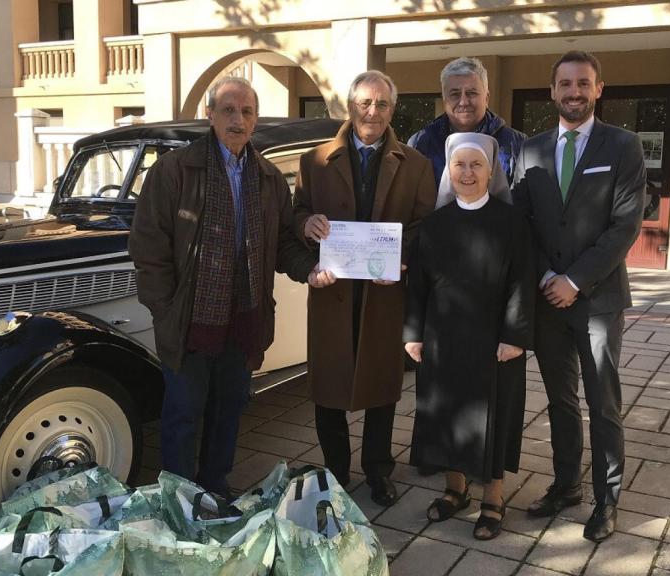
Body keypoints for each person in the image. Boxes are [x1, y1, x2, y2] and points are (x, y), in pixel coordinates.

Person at [129, 77, 332, 498]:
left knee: (229, 411)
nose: (238, 120)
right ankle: (180, 499)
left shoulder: (268, 177)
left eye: (246, 112)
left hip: (244, 321)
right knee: (183, 413)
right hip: (189, 321)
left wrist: (310, 270)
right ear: (210, 115)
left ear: (255, 120)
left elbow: (281, 245)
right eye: (228, 110)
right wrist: (165, 309)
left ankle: (215, 489)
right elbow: (149, 249)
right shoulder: (174, 171)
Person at [511, 51, 646, 542]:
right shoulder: (530, 149)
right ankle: (567, 484)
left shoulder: (623, 146)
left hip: (598, 300)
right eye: (565, 84)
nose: (574, 91)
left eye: (583, 83)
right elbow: (521, 222)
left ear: (598, 89)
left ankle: (606, 500)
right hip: (548, 298)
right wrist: (549, 275)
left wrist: (575, 280)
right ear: (552, 91)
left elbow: (624, 226)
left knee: (602, 402)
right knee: (560, 399)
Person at [294, 70, 436, 506]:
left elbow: (424, 225)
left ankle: (378, 470)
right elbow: (295, 217)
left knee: (382, 385)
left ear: (393, 109)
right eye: (364, 103)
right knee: (328, 386)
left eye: (382, 104)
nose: (372, 112)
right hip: (333, 291)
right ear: (350, 106)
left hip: (383, 291)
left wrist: (402, 256)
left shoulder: (416, 164)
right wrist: (307, 224)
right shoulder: (314, 160)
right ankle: (336, 471)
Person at [404, 132, 534, 541]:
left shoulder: (512, 222)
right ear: (448, 170)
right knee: (447, 413)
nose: (467, 172)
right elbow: (418, 286)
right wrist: (412, 333)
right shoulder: (434, 224)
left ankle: (493, 499)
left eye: (476, 164)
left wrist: (515, 335)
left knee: (492, 417)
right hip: (442, 337)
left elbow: (522, 281)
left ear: (491, 170)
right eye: (459, 164)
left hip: (494, 340)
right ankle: (455, 490)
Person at [407, 56, 525, 206]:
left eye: (471, 93)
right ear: (444, 100)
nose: (463, 102)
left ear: (487, 98)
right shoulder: (421, 144)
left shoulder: (517, 145)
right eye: (455, 94)